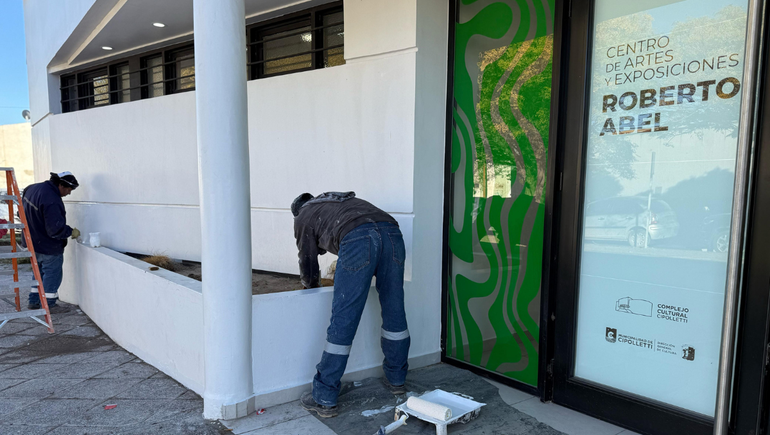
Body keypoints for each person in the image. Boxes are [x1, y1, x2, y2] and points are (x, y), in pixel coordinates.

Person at [292, 191, 410, 418]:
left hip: (359, 238)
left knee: (344, 316)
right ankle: (397, 380)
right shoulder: (334, 202)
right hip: (392, 234)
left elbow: (307, 260)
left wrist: (311, 286)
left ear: (297, 210)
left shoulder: (303, 216)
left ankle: (324, 396)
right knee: (395, 309)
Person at [23, 171, 81, 313]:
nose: (69, 193)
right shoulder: (52, 199)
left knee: (38, 272)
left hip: (31, 242)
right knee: (52, 274)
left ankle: (34, 301)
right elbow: (55, 229)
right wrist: (70, 231)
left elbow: (21, 213)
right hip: (48, 245)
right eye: (69, 189)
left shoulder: (31, 188)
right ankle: (49, 304)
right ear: (61, 185)